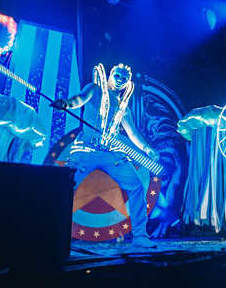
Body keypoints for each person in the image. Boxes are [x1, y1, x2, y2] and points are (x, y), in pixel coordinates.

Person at [51, 63, 159, 248]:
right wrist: (67, 103)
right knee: (64, 186)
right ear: (110, 74)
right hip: (86, 150)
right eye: (117, 76)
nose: (120, 80)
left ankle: (140, 236)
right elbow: (79, 99)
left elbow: (132, 133)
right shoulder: (95, 89)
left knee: (136, 187)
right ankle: (52, 230)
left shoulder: (123, 106)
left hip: (112, 154)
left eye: (124, 79)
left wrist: (147, 149)